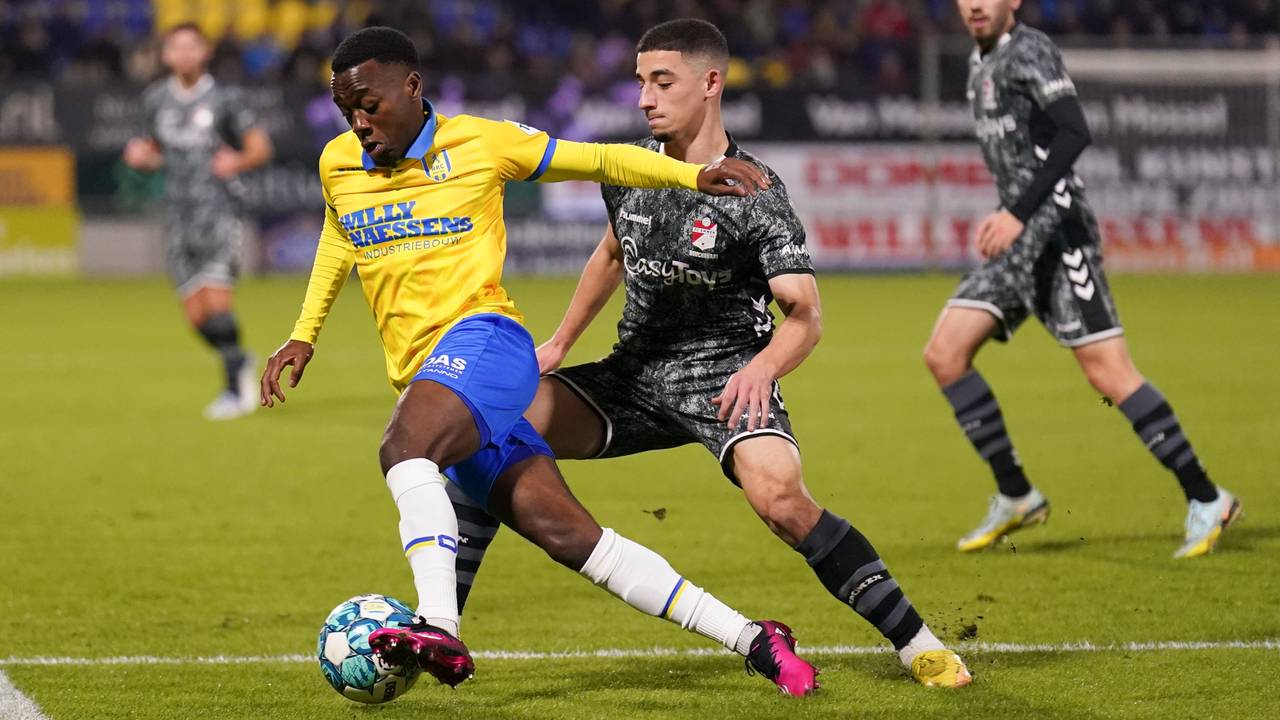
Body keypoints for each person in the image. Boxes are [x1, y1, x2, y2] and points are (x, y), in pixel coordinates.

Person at [259, 26, 819, 695]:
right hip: (434, 378)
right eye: (345, 109)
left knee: (403, 449)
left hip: (487, 344)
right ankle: (758, 641)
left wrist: (691, 174)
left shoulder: (482, 142)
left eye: (369, 104)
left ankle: (441, 624)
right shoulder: (338, 164)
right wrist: (304, 332)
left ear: (411, 87)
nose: (358, 121)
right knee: (577, 541)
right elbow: (337, 233)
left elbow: (601, 162)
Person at [455, 19, 972, 689]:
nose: (645, 97)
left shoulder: (753, 190)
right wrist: (559, 342)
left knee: (783, 501)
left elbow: (805, 315)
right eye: (641, 81)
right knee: (481, 428)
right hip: (631, 376)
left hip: (725, 380)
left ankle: (920, 645)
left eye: (662, 82)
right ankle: (442, 626)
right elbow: (612, 254)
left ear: (711, 84)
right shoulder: (630, 171)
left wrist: (762, 368)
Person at [923, 0, 1240, 558]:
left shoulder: (1031, 50)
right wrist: (1012, 219)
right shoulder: (981, 65)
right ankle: (1017, 495)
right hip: (1017, 246)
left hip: (1059, 235)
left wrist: (1017, 211)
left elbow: (1075, 132)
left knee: (1110, 374)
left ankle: (1208, 497)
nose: (975, 4)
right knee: (945, 354)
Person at [123, 22, 273, 420]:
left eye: (193, 46)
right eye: (177, 47)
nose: (185, 53)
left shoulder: (226, 99)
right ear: (167, 55)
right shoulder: (155, 100)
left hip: (219, 211)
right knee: (196, 316)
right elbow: (154, 151)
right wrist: (142, 159)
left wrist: (237, 160)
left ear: (205, 52)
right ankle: (240, 358)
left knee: (218, 303)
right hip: (177, 214)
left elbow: (260, 147)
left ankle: (233, 389)